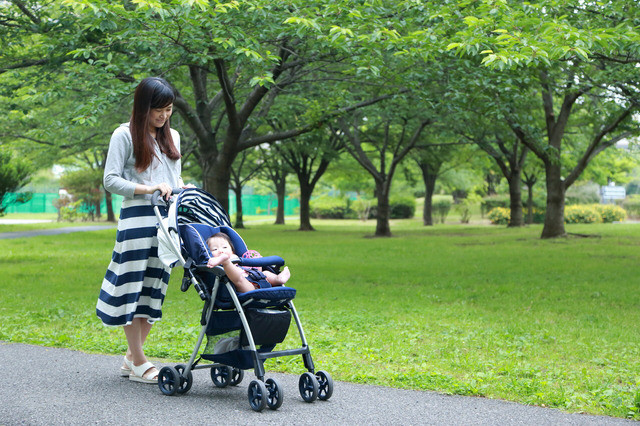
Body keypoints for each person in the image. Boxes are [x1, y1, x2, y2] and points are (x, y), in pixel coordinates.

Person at [97, 77, 187, 384]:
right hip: (137, 220)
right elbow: (110, 180)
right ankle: (138, 361)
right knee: (132, 288)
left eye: (169, 109)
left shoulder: (172, 134)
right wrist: (149, 188)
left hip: (167, 223)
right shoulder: (123, 135)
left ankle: (131, 359)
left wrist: (180, 188)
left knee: (154, 290)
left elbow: (173, 177)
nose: (163, 116)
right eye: (158, 110)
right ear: (143, 107)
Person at [205, 233, 291, 293]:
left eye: (224, 247)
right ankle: (226, 261)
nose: (220, 250)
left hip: (255, 276)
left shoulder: (235, 257)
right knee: (239, 280)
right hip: (243, 282)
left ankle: (278, 279)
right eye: (214, 249)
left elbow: (252, 268)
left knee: (265, 273)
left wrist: (257, 262)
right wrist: (221, 261)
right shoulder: (213, 262)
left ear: (232, 250)